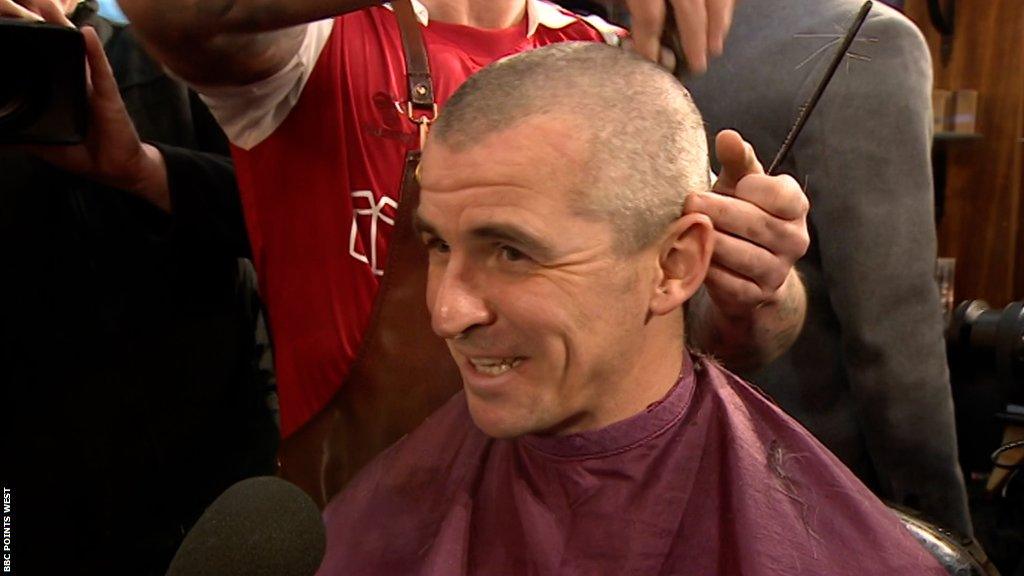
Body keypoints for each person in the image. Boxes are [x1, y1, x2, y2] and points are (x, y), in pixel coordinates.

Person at [116, 0, 812, 502]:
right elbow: (166, 13)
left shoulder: (604, 58)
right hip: (359, 518)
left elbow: (723, 337)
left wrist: (757, 290)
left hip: (579, 521)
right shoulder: (307, 46)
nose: (449, 309)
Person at [315, 42, 944, 575]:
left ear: (673, 265)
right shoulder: (378, 520)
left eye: (511, 252)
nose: (447, 314)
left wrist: (765, 298)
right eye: (437, 243)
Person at [0, 1, 278, 573]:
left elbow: (276, 226)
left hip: (223, 475)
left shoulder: (170, 60)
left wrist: (145, 170)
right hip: (41, 504)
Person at [686, 0, 971, 536]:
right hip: (814, 499)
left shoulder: (600, 35)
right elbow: (893, 336)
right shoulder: (871, 43)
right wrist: (946, 535)